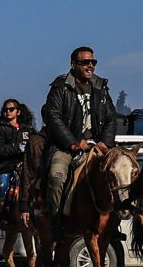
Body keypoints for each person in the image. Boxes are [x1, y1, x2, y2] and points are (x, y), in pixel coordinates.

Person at [42, 47, 118, 224]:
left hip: (97, 145)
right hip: (65, 146)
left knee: (120, 172)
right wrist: (73, 143)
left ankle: (114, 222)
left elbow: (110, 118)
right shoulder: (60, 87)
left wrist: (105, 143)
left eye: (93, 62)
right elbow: (53, 118)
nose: (90, 66)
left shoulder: (101, 87)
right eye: (85, 62)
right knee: (56, 176)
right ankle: (55, 224)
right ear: (73, 64)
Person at [0, 99, 31, 206]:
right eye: (5, 109)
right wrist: (18, 148)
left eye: (11, 109)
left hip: (26, 166)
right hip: (6, 167)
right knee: (4, 185)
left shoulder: (27, 130)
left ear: (18, 112)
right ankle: (3, 213)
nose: (8, 111)